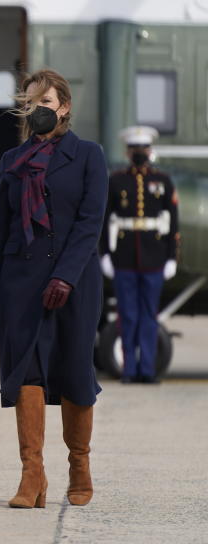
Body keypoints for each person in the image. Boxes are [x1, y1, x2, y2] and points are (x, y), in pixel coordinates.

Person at [0, 69, 107, 509]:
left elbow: (90, 224)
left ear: (64, 107)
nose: (38, 111)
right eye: (30, 103)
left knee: (73, 371)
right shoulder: (12, 160)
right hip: (20, 282)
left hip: (74, 281)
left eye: (45, 103)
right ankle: (32, 474)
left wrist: (65, 276)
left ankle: (79, 465)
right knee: (24, 372)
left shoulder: (89, 156)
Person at [100, 126, 180, 384]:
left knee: (149, 316)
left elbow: (173, 224)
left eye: (143, 149)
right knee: (127, 316)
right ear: (127, 151)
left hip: (154, 258)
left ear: (149, 151)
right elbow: (103, 220)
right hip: (124, 258)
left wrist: (171, 258)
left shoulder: (163, 181)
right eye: (135, 149)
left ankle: (147, 369)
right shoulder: (116, 180)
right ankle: (129, 370)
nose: (139, 153)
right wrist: (105, 254)